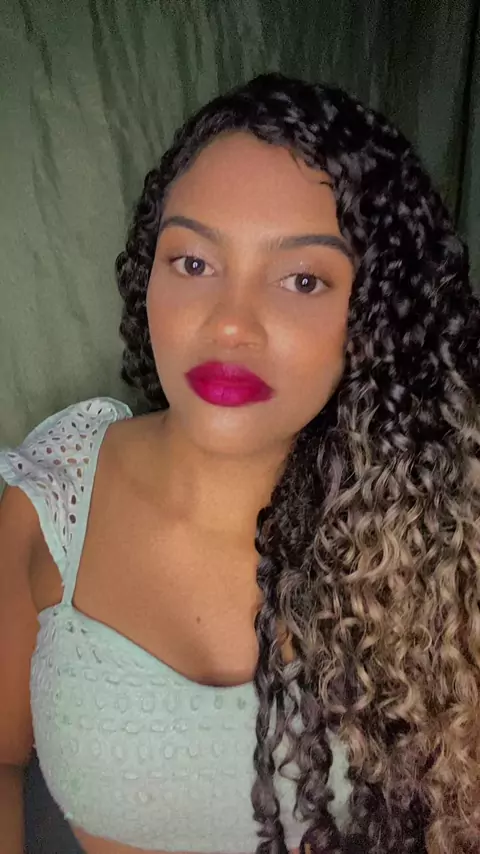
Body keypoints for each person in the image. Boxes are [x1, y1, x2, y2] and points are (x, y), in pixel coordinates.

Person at [0, 72, 479, 854]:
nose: (230, 325)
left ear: (373, 319)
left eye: (302, 280)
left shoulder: (440, 537)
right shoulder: (53, 503)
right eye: (193, 263)